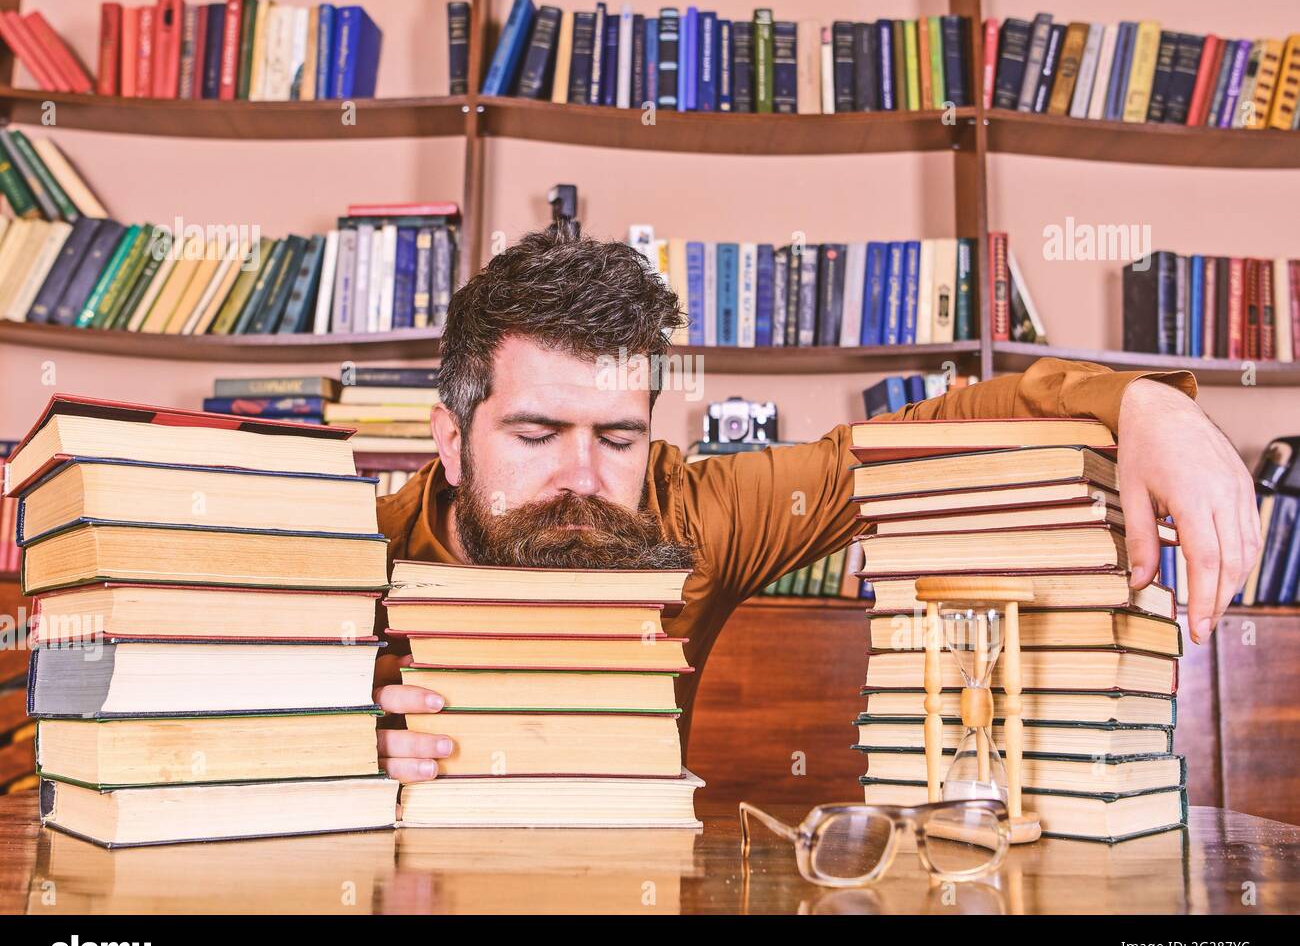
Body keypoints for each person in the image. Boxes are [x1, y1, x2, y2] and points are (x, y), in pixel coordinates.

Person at [372, 221, 1260, 784]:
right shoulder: (332, 563)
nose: (583, 479)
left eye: (617, 438)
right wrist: (335, 753)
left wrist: (1142, 404)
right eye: (534, 436)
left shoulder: (696, 516)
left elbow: (912, 437)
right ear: (451, 442)